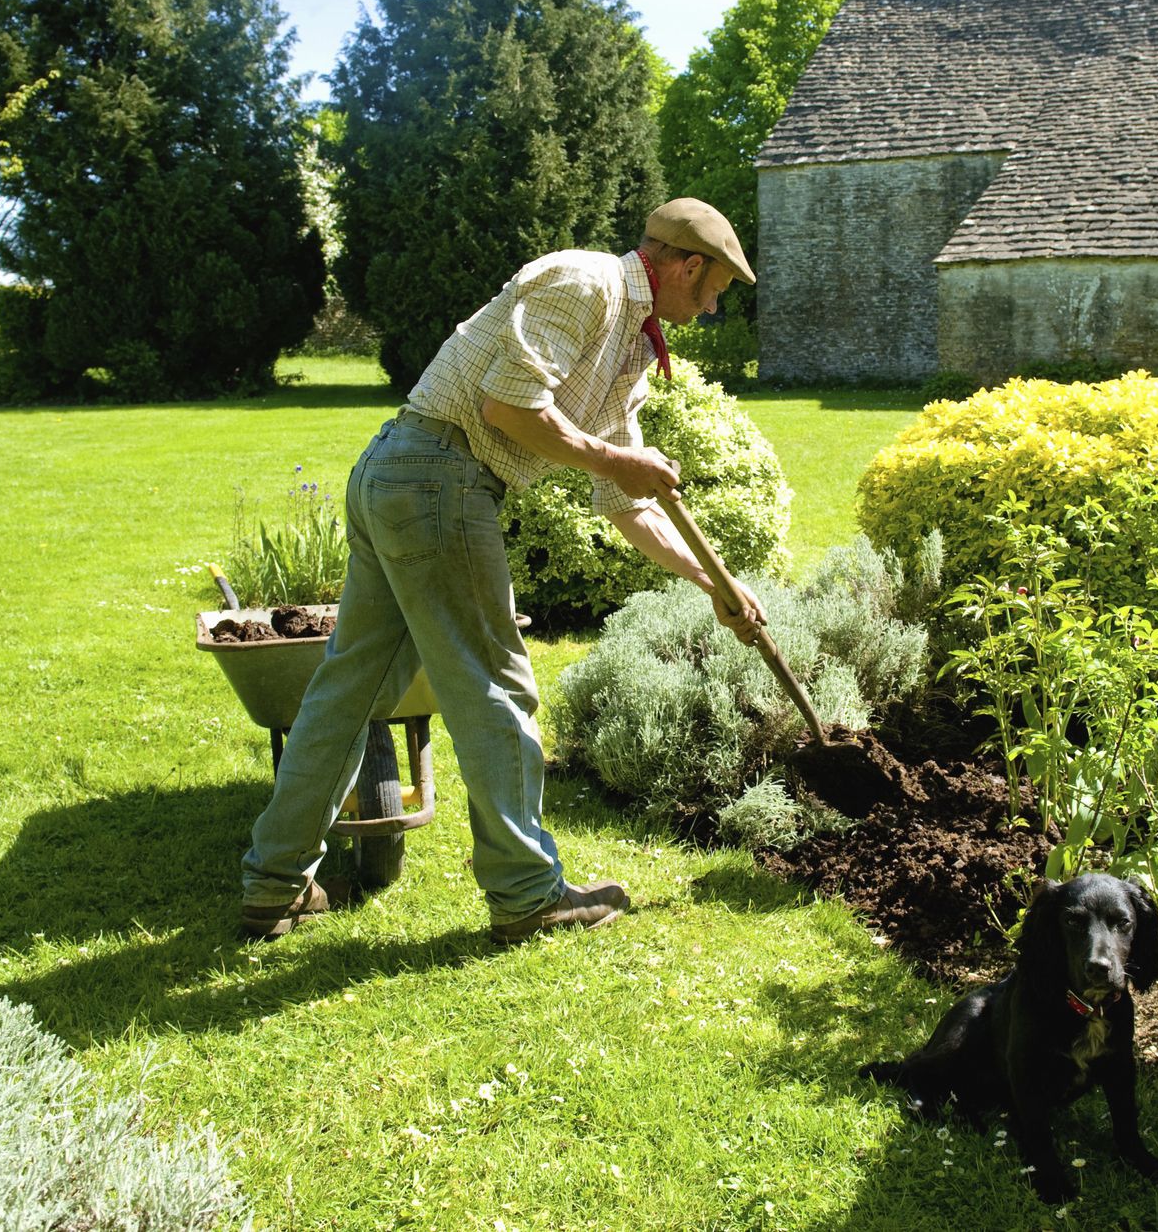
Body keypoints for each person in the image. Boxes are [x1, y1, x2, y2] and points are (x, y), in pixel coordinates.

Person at [240, 198, 767, 943]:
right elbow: (507, 408)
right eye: (716, 289)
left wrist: (716, 584)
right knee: (497, 686)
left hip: (406, 479)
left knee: (349, 690)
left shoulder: (630, 349)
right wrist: (617, 457)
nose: (714, 307)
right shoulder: (587, 285)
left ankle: (274, 883)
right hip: (439, 474)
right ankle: (526, 893)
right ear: (687, 266)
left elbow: (625, 500)